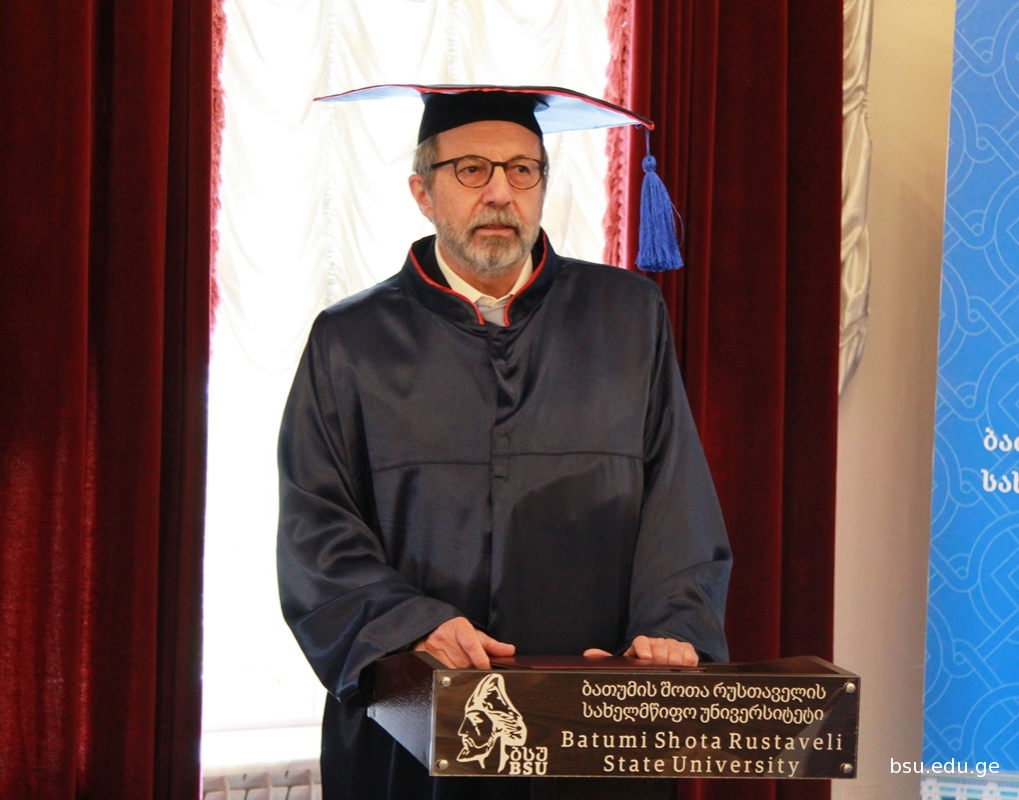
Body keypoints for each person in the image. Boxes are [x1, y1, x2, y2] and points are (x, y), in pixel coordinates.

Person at [277, 86, 731, 800]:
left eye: (522, 170)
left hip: (594, 720)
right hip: (418, 718)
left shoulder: (625, 318)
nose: (499, 193)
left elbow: (678, 501)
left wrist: (671, 627)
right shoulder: (351, 341)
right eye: (471, 171)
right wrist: (412, 624)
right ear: (422, 193)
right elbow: (316, 529)